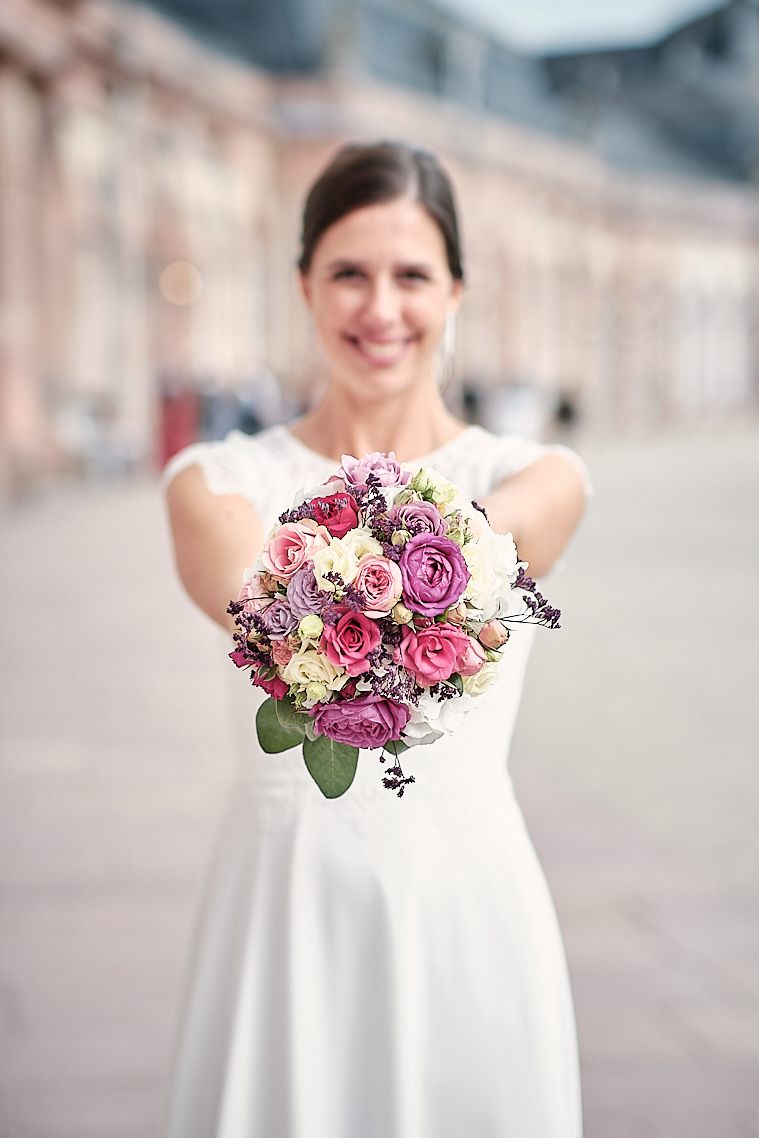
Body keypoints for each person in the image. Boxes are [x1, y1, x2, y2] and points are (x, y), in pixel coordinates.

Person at [161, 140, 590, 1138]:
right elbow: (250, 595)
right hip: (283, 906)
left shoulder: (543, 476)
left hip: (464, 906)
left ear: (457, 293)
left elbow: (457, 558)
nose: (379, 309)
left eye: (412, 276)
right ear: (304, 281)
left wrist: (329, 576)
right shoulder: (212, 481)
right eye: (349, 273)